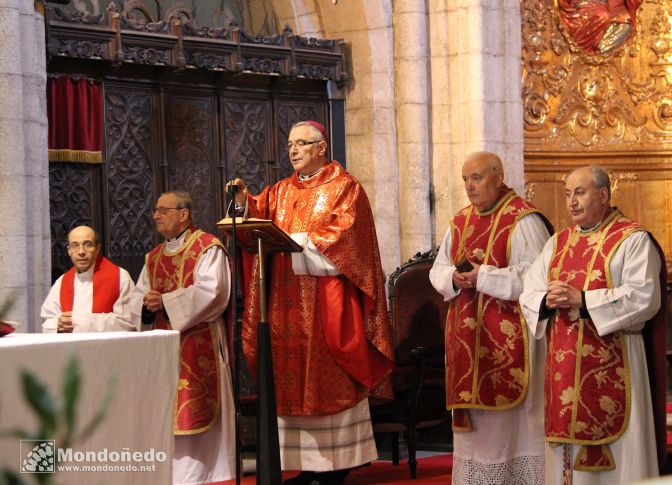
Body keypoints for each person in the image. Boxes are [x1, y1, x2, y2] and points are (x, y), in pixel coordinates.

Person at [229, 120, 394, 485]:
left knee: (327, 379)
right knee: (291, 385)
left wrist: (295, 241)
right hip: (283, 302)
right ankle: (307, 466)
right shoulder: (280, 191)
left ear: (322, 147)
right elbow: (258, 217)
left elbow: (348, 239)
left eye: (302, 143)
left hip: (325, 307)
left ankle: (338, 465)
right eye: (290, 144)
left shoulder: (344, 188)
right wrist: (244, 203)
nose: (293, 150)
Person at [519, 165, 665, 485]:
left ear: (603, 195)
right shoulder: (558, 243)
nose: (571, 201)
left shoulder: (632, 239)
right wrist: (547, 301)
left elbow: (645, 297)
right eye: (568, 194)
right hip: (565, 364)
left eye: (580, 193)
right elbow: (529, 290)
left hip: (617, 360)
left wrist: (583, 301)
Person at [429, 151, 552, 484]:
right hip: (467, 338)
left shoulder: (524, 220)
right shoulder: (460, 221)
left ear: (498, 177)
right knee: (477, 433)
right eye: (465, 180)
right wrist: (453, 278)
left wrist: (483, 277)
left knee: (511, 428)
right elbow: (438, 268)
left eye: (477, 178)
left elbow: (535, 277)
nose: (469, 187)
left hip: (509, 340)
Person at [130, 191, 235, 485]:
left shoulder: (207, 248)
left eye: (163, 210)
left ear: (183, 214)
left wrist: (165, 302)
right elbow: (135, 299)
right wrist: (146, 305)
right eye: (156, 211)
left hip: (199, 343)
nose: (156, 216)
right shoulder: (153, 257)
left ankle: (209, 472)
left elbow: (213, 293)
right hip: (164, 347)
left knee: (197, 411)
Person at [41, 225, 134, 333]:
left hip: (105, 348)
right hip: (71, 349)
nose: (81, 251)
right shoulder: (62, 282)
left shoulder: (120, 277)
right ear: (69, 250)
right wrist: (58, 325)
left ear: (97, 248)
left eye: (87, 244)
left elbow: (129, 323)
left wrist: (79, 322)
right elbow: (47, 321)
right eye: (75, 245)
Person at [557, 0, 641, 55]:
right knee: (602, 16)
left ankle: (599, 52)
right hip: (587, 5)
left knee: (624, 26)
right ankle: (582, 46)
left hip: (614, 8)